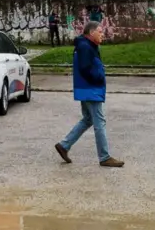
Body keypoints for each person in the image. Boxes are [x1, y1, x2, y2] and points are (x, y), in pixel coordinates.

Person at [53, 20, 124, 168]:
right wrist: (98, 78)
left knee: (87, 119)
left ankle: (64, 145)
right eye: (100, 32)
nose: (102, 34)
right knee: (99, 122)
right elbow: (85, 69)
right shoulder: (86, 47)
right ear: (91, 33)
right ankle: (104, 157)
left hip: (86, 89)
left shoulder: (86, 45)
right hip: (91, 89)